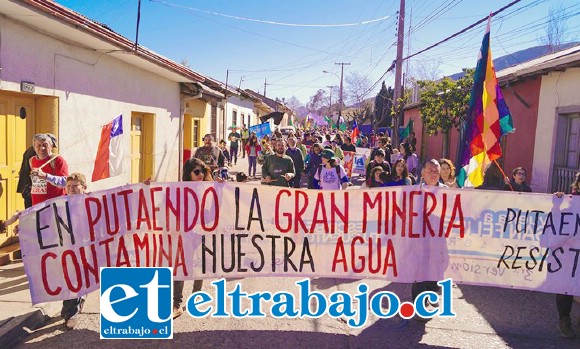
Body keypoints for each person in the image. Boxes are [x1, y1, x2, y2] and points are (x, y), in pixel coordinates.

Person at [173, 158, 219, 319]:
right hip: (186, 232)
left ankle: (195, 297)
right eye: (197, 172)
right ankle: (176, 303)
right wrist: (146, 188)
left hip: (203, 231)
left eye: (203, 171)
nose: (200, 175)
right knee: (182, 266)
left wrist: (220, 188)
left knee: (200, 265)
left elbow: (216, 208)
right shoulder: (179, 189)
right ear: (189, 173)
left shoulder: (209, 188)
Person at [412, 159, 448, 321]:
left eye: (436, 170)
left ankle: (431, 293)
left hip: (439, 241)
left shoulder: (447, 192)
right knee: (419, 273)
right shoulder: (413, 191)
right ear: (422, 173)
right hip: (418, 241)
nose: (433, 173)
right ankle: (419, 308)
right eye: (430, 170)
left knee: (434, 273)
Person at [554, 171, 580, 338]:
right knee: (566, 285)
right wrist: (557, 201)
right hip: (570, 250)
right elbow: (558, 218)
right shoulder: (571, 201)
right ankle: (564, 320)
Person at [29, 133, 68, 205]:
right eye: (39, 145)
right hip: (37, 205)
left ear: (51, 146)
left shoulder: (58, 160)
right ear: (34, 147)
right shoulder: (32, 160)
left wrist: (45, 176)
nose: (42, 148)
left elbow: (65, 182)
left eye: (45, 145)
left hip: (55, 206)